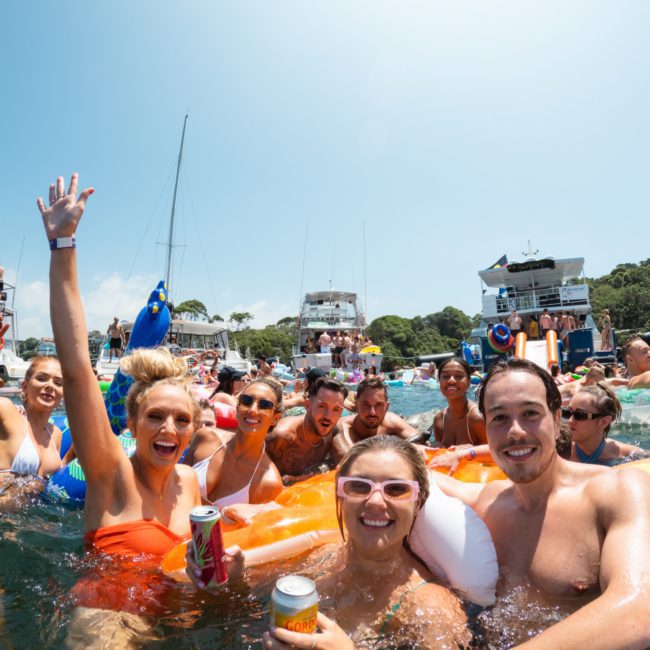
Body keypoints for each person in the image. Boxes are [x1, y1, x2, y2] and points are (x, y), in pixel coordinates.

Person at [38, 174, 238, 642]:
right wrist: (63, 244)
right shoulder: (110, 474)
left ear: (193, 430)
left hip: (178, 618)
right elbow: (76, 369)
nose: (169, 427)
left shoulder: (190, 482)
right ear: (131, 423)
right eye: (155, 416)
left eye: (182, 419)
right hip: (111, 621)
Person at [434, 358, 650, 648]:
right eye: (499, 418)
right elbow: (424, 478)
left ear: (557, 418)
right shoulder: (487, 502)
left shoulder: (619, 490)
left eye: (530, 413)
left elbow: (639, 609)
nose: (516, 432)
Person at [191, 436, 471, 649]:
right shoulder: (320, 554)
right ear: (340, 496)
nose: (375, 501)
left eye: (396, 489)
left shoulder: (432, 608)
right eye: (359, 486)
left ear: (418, 500)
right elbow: (240, 608)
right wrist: (231, 582)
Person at [0, 356, 66, 497]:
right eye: (42, 378)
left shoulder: (56, 434)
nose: (50, 386)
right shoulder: (6, 410)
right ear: (25, 385)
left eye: (58, 383)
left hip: (39, 517)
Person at [266, 377, 347, 481]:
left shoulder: (334, 431)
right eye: (322, 406)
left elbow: (344, 460)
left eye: (336, 409)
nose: (328, 416)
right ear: (308, 405)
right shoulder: (281, 437)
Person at [331, 378, 417, 463]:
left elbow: (420, 439)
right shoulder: (342, 427)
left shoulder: (391, 421)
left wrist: (416, 447)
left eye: (378, 405)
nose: (372, 412)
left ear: (387, 407)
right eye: (366, 405)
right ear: (356, 405)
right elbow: (347, 461)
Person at [564, 384, 646, 465]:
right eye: (568, 413)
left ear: (604, 422)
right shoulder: (559, 452)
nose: (570, 421)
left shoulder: (630, 455)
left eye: (580, 415)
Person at [428, 357, 487, 448]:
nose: (451, 380)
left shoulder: (477, 418)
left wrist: (469, 451)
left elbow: (496, 454)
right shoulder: (439, 419)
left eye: (459, 376)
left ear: (468, 382)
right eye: (446, 376)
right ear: (439, 381)